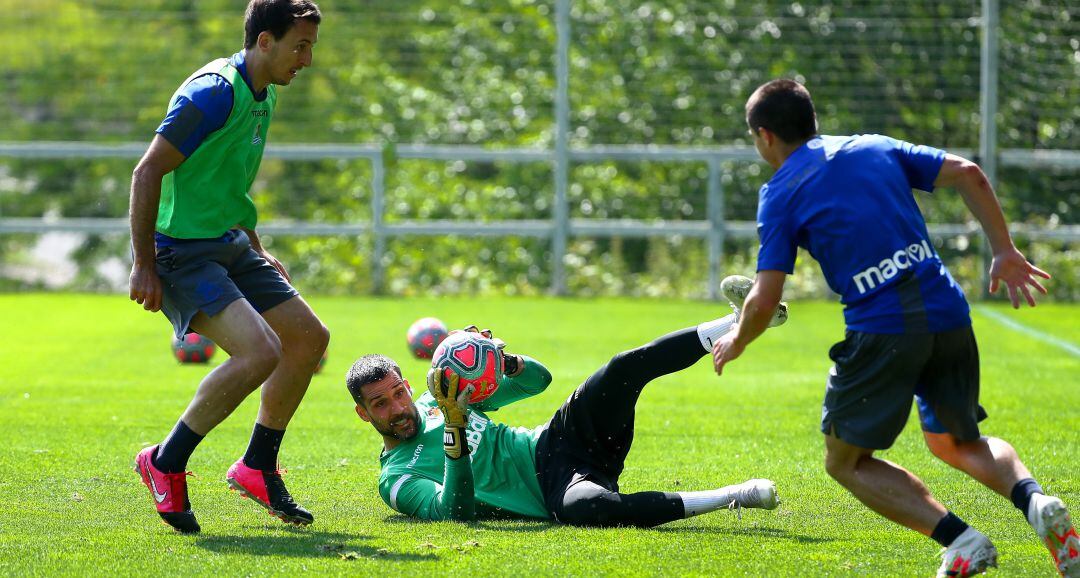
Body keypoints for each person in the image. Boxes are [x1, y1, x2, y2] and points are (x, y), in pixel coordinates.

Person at [712, 79, 1078, 577]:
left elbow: (765, 297)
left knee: (844, 461)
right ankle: (1037, 503)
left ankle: (962, 540)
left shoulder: (780, 193)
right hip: (947, 311)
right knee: (957, 442)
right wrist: (1004, 251)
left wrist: (737, 339)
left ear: (765, 136)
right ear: (812, 119)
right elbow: (969, 173)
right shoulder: (875, 146)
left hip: (881, 329)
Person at [128, 0, 327, 534]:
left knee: (308, 338)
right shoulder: (211, 93)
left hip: (230, 243)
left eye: (310, 47)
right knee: (261, 350)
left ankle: (257, 465)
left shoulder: (263, 93)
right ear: (264, 41)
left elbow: (227, 179)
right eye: (299, 46)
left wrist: (256, 246)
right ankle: (164, 462)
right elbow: (146, 173)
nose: (306, 60)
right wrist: (143, 264)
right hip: (180, 251)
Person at [346, 308, 786, 527]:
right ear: (363, 415)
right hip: (555, 488)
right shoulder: (397, 480)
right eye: (381, 403)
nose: (398, 408)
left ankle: (742, 318)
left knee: (621, 368)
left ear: (408, 385)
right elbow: (456, 512)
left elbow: (540, 381)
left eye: (398, 392)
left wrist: (505, 362)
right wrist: (455, 426)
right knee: (588, 510)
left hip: (555, 440)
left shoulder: (438, 395)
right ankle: (734, 495)